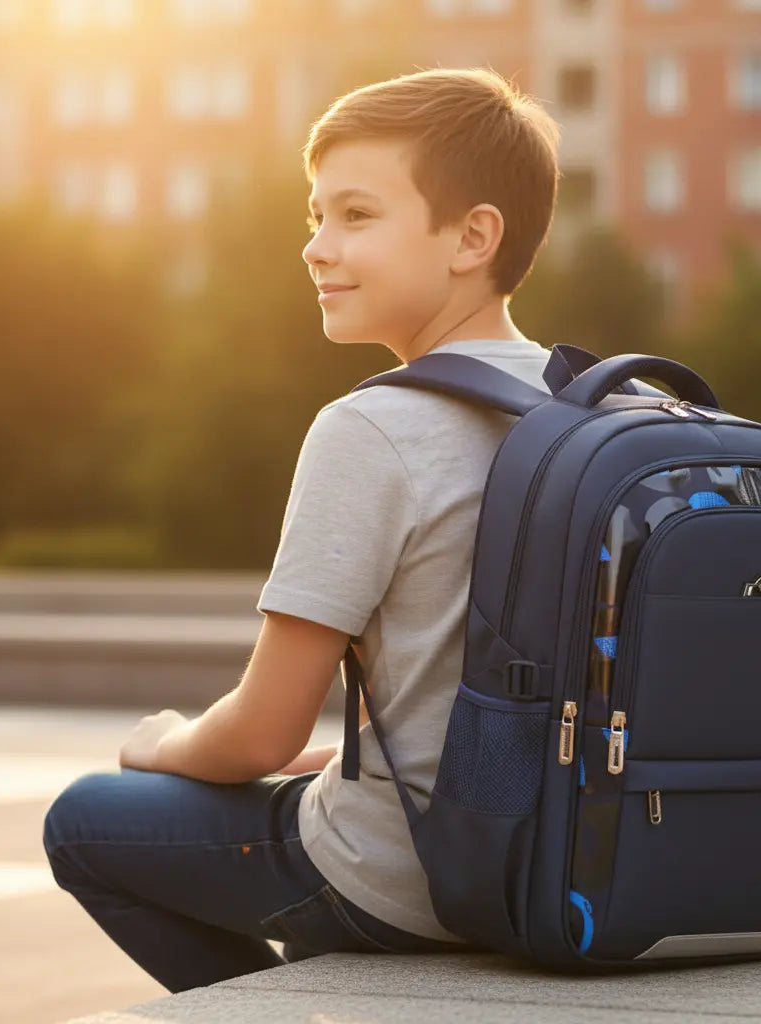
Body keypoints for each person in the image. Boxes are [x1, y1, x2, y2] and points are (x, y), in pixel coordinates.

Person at [42, 67, 561, 994]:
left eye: (357, 216)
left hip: (410, 881)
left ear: (473, 237)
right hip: (558, 857)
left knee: (84, 820)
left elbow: (260, 733)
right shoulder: (589, 410)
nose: (317, 248)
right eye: (316, 217)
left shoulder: (372, 428)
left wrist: (162, 744)